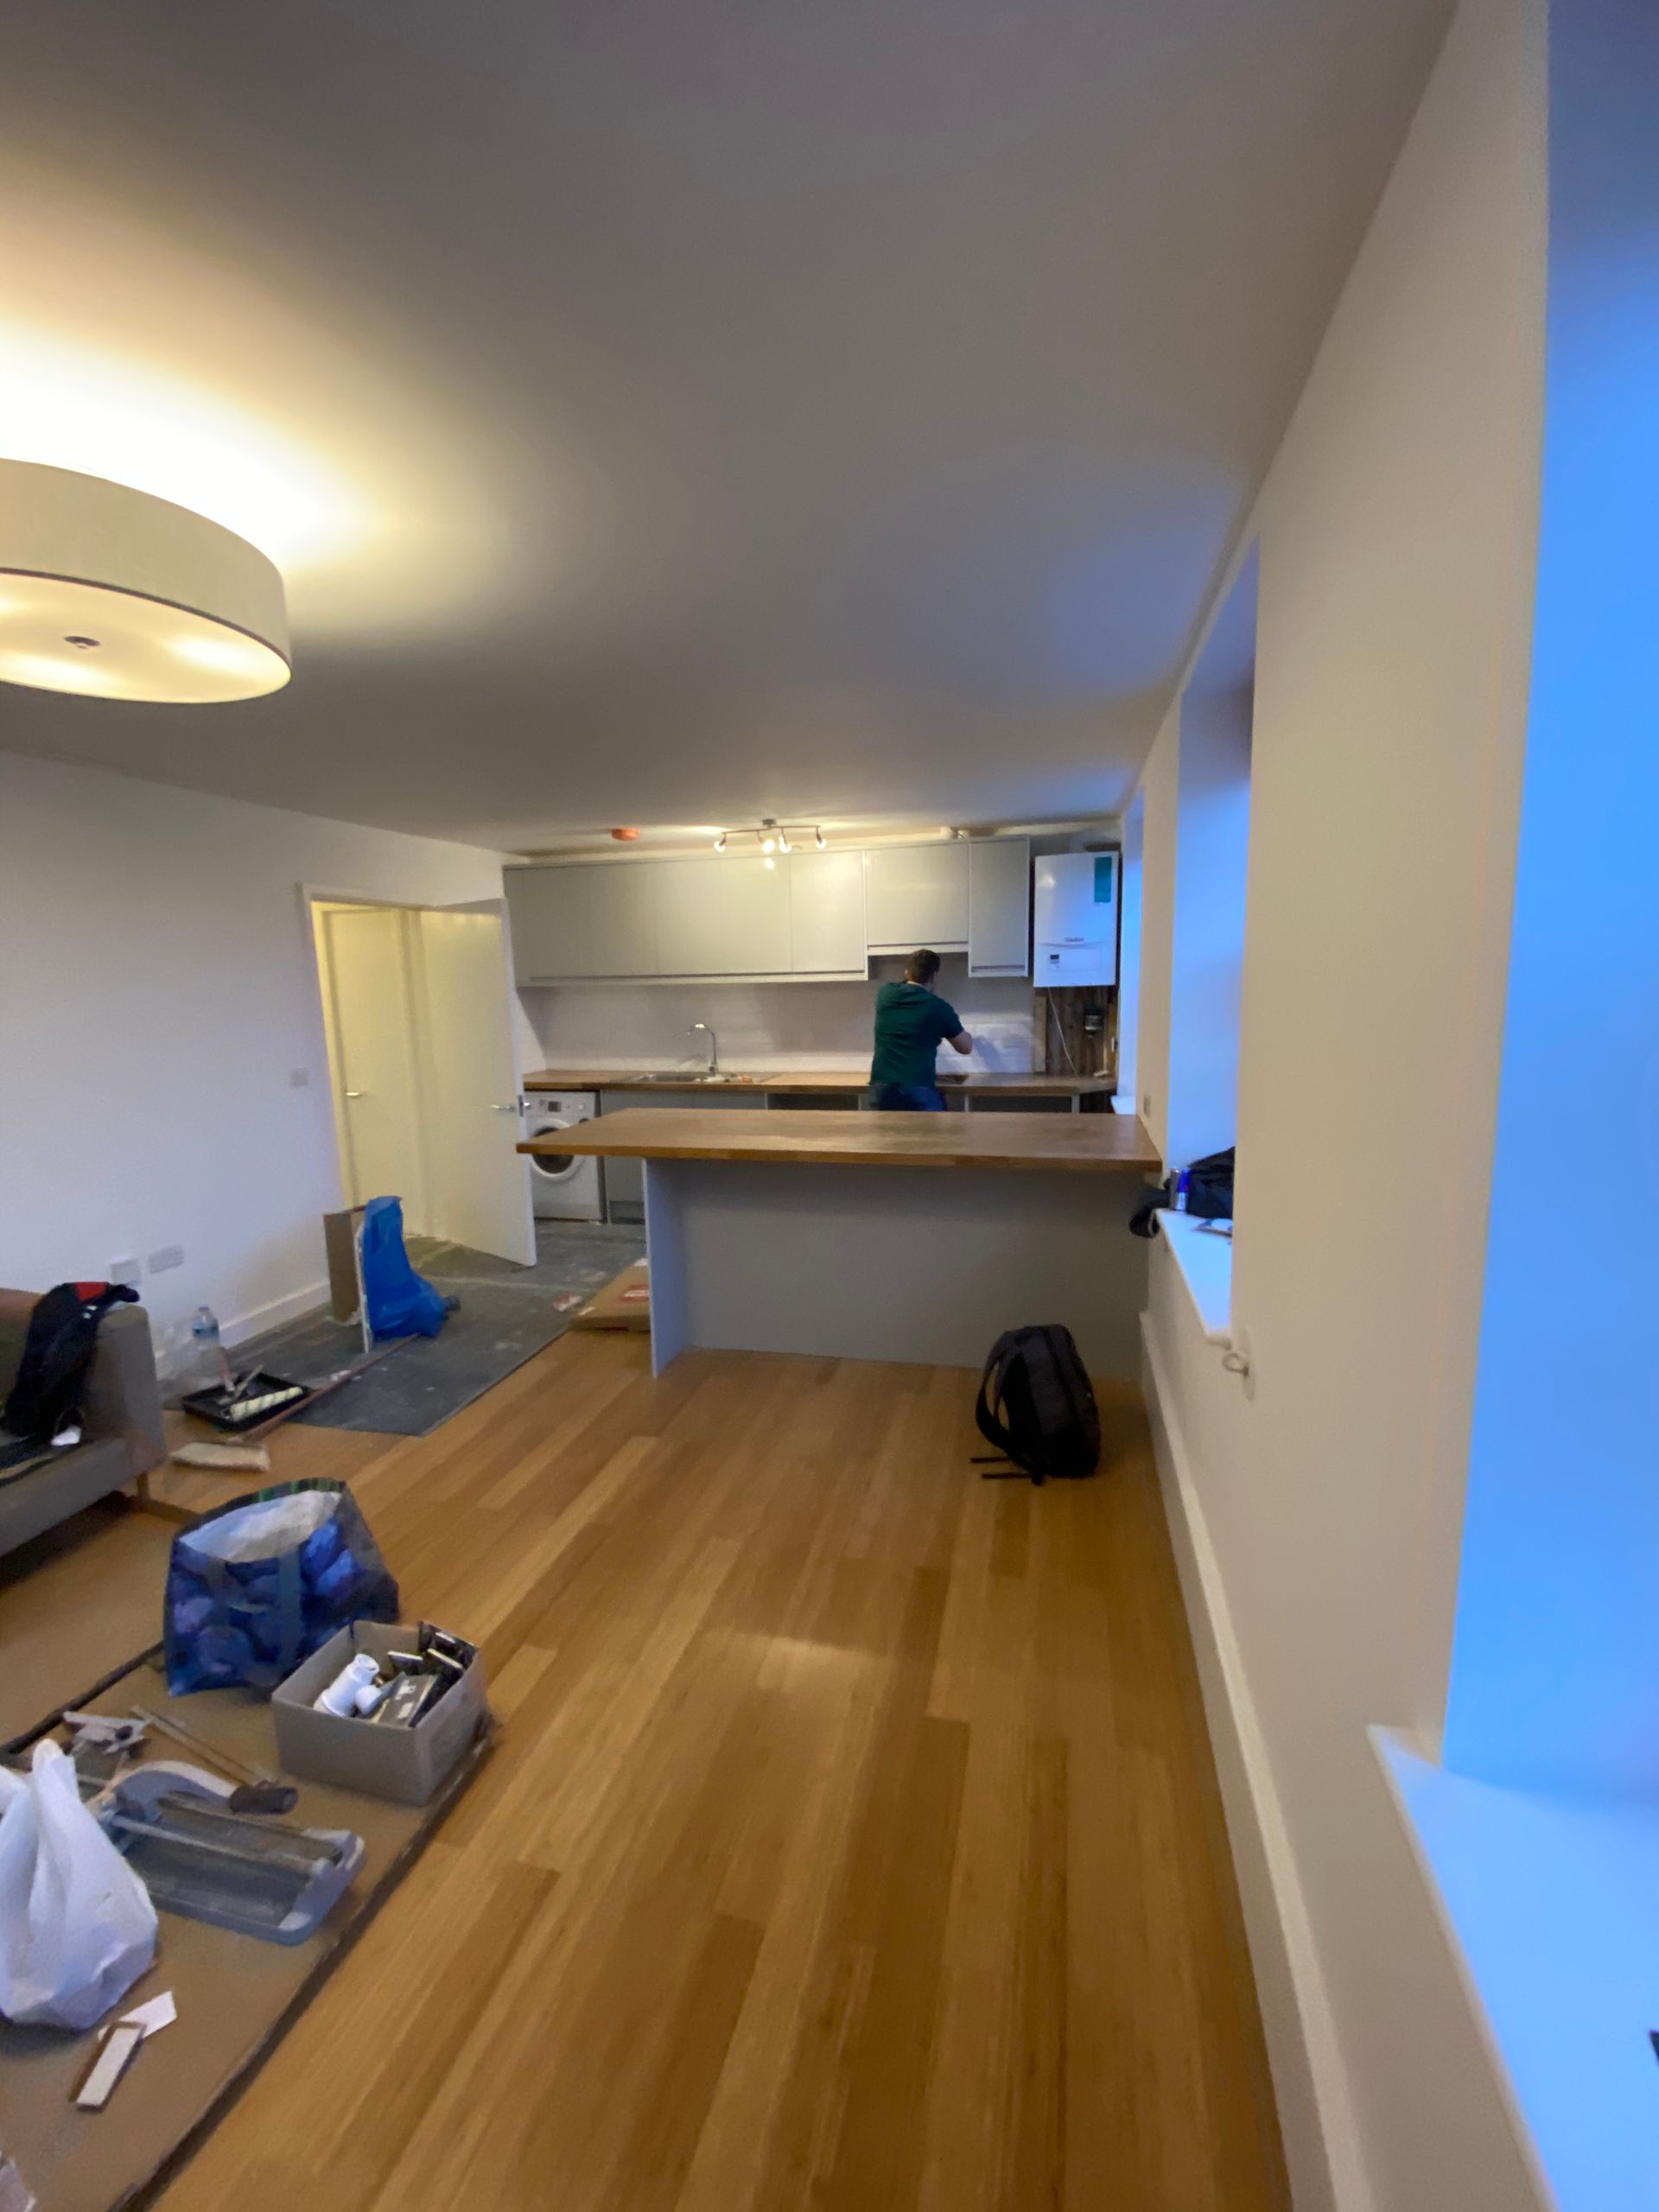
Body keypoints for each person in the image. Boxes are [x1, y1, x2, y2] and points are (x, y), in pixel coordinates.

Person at [866, 949, 973, 1109]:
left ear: (906, 972)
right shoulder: (938, 1007)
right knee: (935, 1130)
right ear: (934, 975)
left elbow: (906, 985)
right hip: (917, 1089)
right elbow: (966, 1047)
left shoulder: (885, 994)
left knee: (886, 1134)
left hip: (881, 1090)